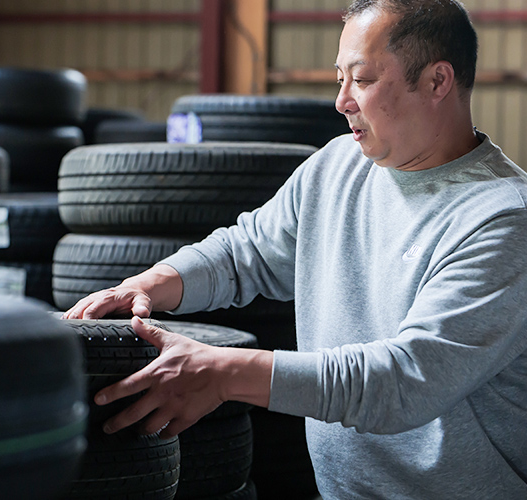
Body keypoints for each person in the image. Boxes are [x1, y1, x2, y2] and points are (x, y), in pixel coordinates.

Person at [63, 0, 527, 497]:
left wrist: (224, 373)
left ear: (438, 82)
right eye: (338, 80)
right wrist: (152, 283)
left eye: (363, 80)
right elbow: (249, 252)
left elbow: (406, 380)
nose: (342, 101)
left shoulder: (501, 219)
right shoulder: (336, 167)